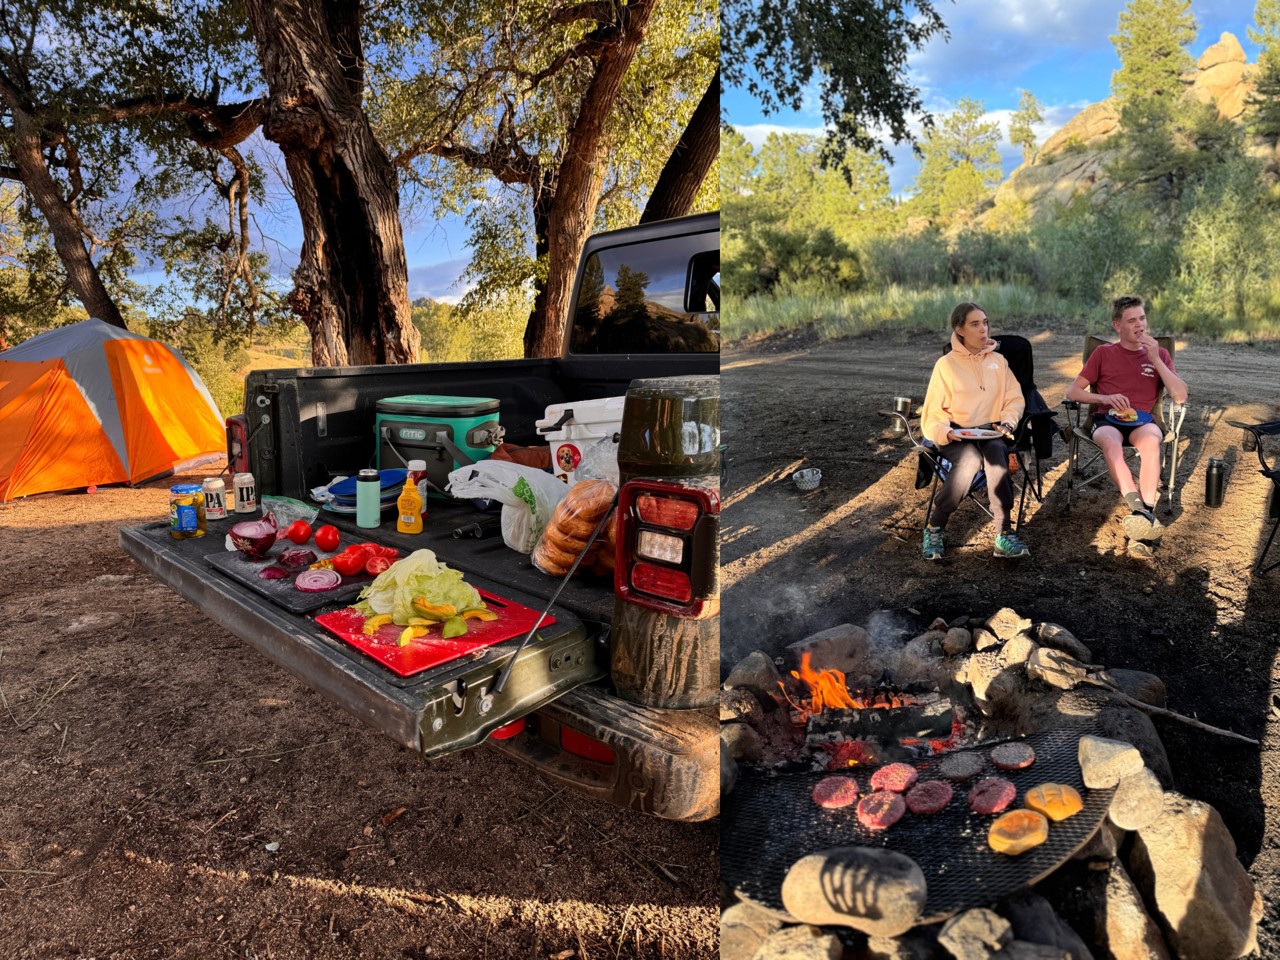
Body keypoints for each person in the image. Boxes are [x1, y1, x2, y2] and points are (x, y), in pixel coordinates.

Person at [1064, 294, 1188, 557]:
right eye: (1131, 320)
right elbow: (1073, 391)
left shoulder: (1160, 354)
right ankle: (1141, 513)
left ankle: (1145, 517)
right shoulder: (1103, 353)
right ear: (1117, 326)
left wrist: (1155, 359)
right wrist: (1104, 398)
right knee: (1110, 442)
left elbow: (1180, 396)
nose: (1139, 325)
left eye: (1142, 318)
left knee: (1152, 443)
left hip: (1143, 420)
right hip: (1106, 418)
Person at [918, 302, 1029, 561]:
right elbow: (933, 413)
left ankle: (1004, 534)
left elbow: (1015, 399)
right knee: (969, 459)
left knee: (996, 455)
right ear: (959, 329)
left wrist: (1008, 423)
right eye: (975, 324)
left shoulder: (999, 362)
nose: (983, 329)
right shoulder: (945, 365)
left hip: (991, 431)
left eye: (986, 323)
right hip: (956, 434)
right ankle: (935, 527)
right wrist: (945, 432)